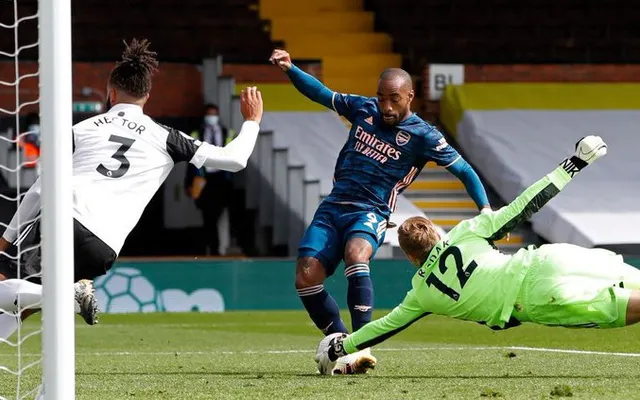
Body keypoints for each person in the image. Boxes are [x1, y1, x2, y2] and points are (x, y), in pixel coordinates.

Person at [0, 38, 264, 340]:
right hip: (104, 247)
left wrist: (6, 238)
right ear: (147, 96)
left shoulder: (82, 129)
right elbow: (235, 159)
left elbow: (41, 187)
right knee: (26, 301)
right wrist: (252, 122)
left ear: (111, 93)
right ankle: (64, 302)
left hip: (65, 219)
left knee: (11, 285)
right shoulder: (167, 137)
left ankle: (70, 295)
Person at [313, 135, 637, 375]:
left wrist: (341, 346)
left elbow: (382, 327)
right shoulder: (468, 230)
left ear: (412, 258)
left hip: (536, 297)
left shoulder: (421, 294)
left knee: (626, 309)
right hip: (548, 257)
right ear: (437, 234)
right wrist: (573, 164)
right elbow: (525, 205)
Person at [269, 49, 492, 373]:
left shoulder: (424, 135)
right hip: (333, 206)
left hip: (370, 211)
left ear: (410, 96)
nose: (386, 106)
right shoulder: (364, 109)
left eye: (394, 99)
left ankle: (361, 343)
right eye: (382, 98)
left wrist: (485, 209)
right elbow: (322, 94)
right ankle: (338, 341)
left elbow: (465, 171)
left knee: (356, 254)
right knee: (305, 277)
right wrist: (291, 69)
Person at [185, 103, 235, 255]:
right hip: (203, 178)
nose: (211, 117)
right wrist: (188, 182)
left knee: (220, 213)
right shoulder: (197, 133)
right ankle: (211, 247)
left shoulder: (227, 132)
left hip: (222, 178)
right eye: (209, 114)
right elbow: (190, 160)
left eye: (214, 114)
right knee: (207, 214)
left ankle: (217, 246)